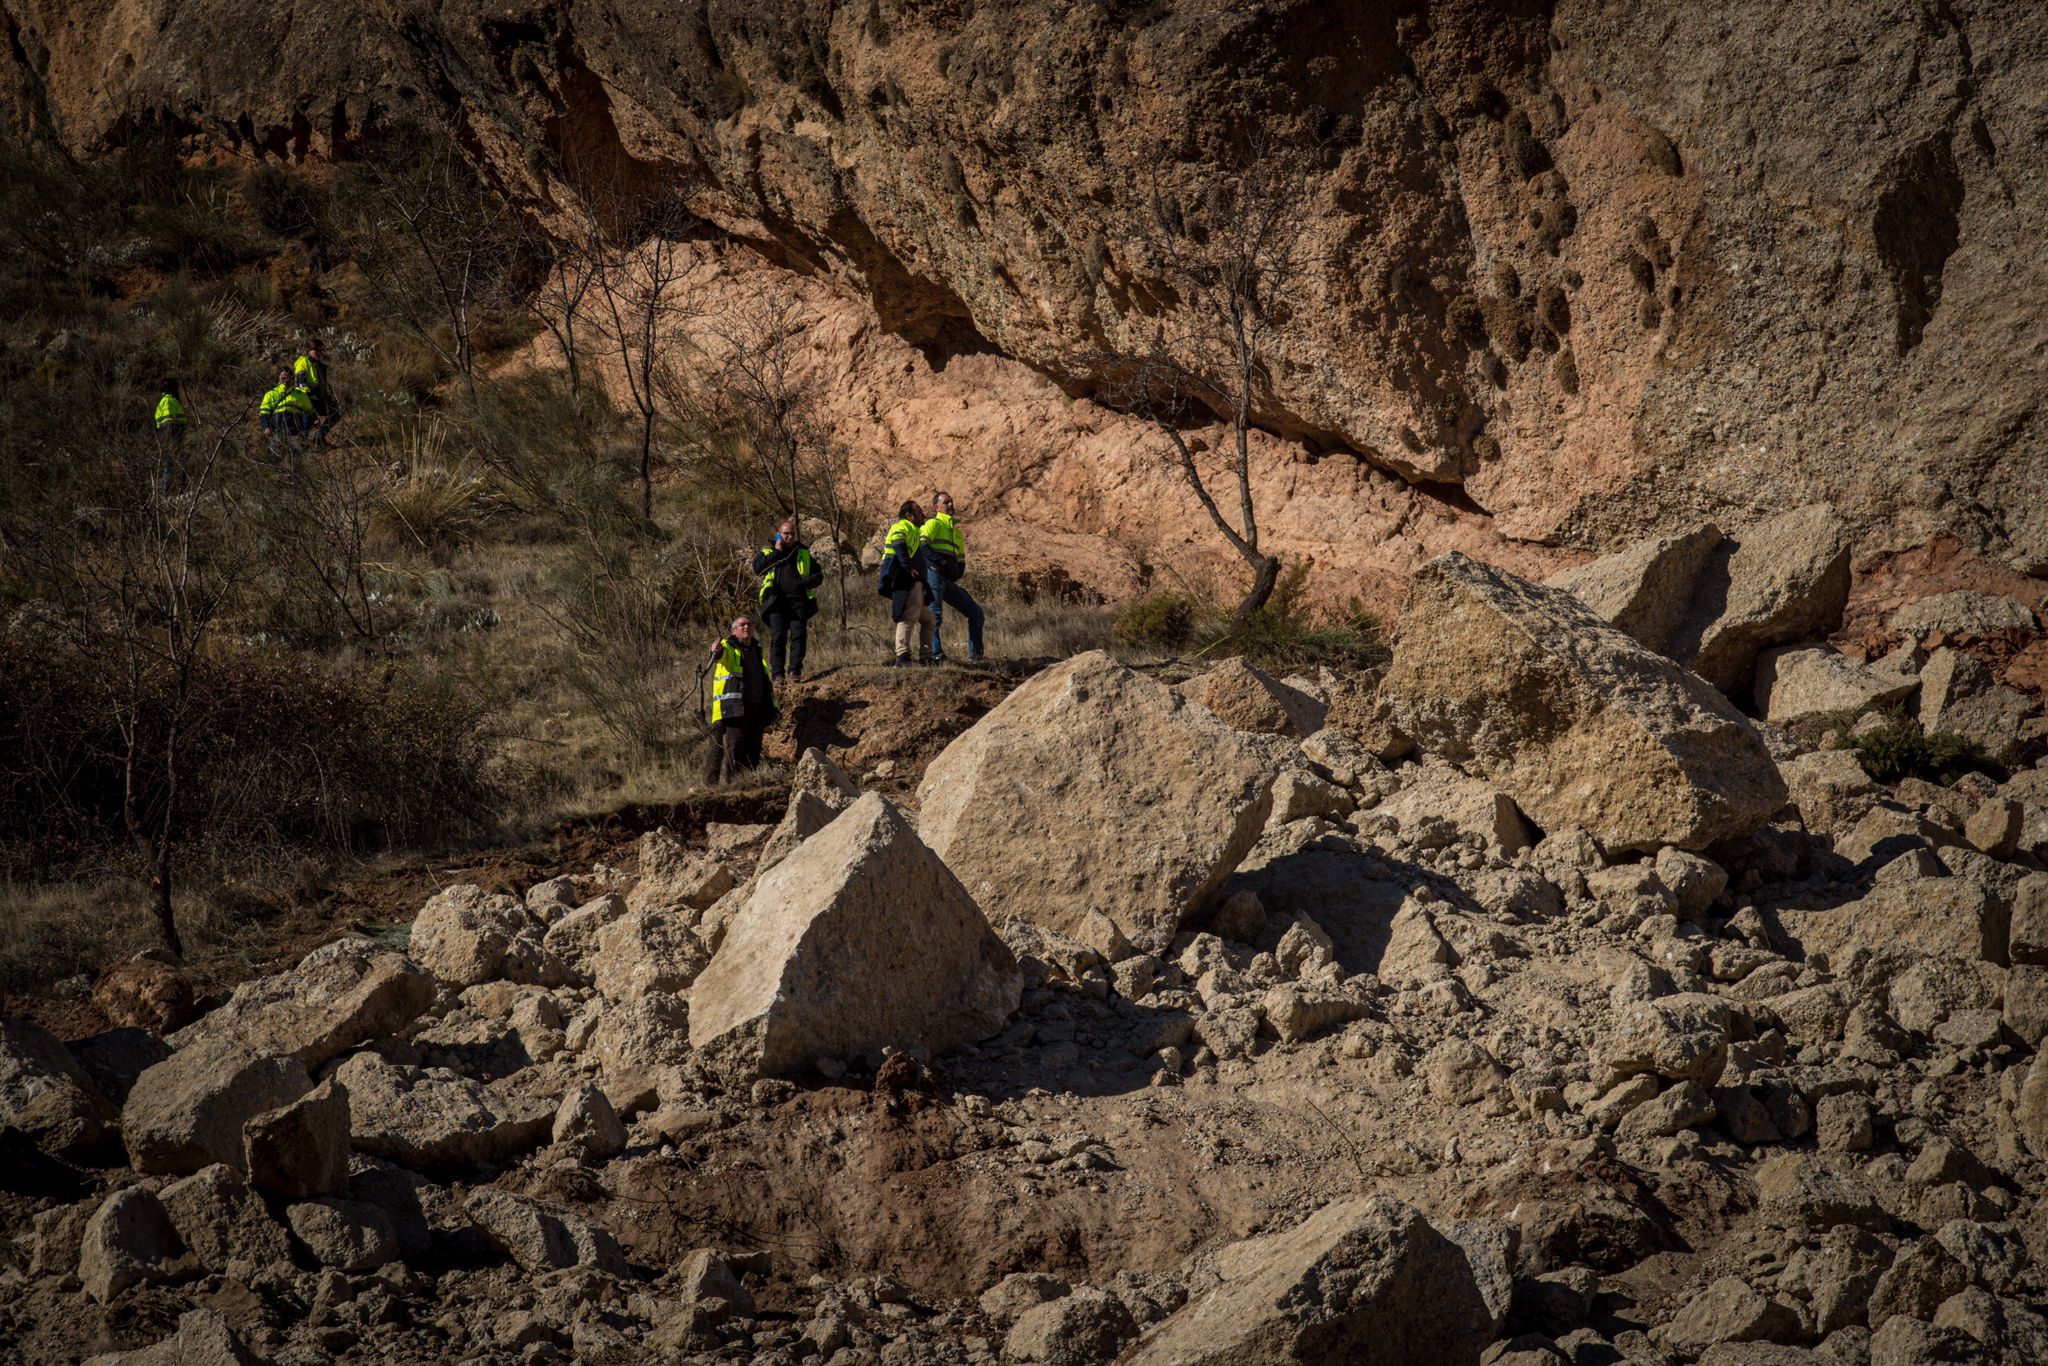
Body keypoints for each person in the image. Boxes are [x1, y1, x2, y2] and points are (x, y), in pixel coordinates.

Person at [704, 615, 776, 783]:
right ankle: (733, 784)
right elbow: (719, 655)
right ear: (734, 631)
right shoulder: (730, 648)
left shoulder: (757, 651)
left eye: (749, 625)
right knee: (736, 747)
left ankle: (750, 782)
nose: (746, 627)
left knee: (754, 748)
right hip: (735, 709)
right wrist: (716, 649)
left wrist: (772, 707)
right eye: (742, 625)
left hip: (757, 708)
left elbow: (765, 681)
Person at [752, 518, 821, 684]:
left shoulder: (803, 552)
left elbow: (818, 575)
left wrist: (804, 582)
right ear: (778, 535)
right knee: (778, 637)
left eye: (791, 533)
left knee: (799, 636)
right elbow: (757, 568)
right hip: (776, 602)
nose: (789, 536)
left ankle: (794, 672)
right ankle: (777, 675)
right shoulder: (768, 552)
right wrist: (776, 550)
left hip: (798, 602)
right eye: (785, 533)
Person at [920, 490, 986, 663]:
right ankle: (935, 655)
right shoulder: (933, 524)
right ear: (937, 507)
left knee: (976, 613)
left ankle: (977, 656)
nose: (950, 505)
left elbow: (961, 558)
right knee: (935, 615)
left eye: (951, 502)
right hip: (933, 574)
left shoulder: (956, 532)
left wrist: (958, 570)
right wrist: (940, 563)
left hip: (948, 580)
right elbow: (922, 545)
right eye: (946, 502)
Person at [878, 500, 933, 666]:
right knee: (908, 617)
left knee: (929, 620)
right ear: (909, 515)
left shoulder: (913, 530)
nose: (922, 514)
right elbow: (898, 544)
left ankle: (926, 657)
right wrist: (909, 568)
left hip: (914, 581)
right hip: (905, 579)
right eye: (919, 511)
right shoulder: (901, 526)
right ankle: (902, 657)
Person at [258, 367, 312, 455]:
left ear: (292, 378)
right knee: (277, 456)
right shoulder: (271, 394)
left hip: (295, 430)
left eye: (287, 377)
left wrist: (314, 421)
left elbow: (310, 411)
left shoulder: (300, 394)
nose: (285, 380)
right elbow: (264, 413)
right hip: (276, 429)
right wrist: (265, 427)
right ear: (279, 379)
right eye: (282, 378)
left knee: (298, 455)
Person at [294, 339, 338, 444]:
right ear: (309, 350)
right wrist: (312, 391)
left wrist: (330, 395)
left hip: (320, 397)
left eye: (321, 350)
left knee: (336, 413)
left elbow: (324, 383)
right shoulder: (303, 362)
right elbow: (300, 384)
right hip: (308, 398)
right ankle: (303, 445)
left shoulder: (318, 364)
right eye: (317, 350)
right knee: (308, 422)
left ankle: (319, 437)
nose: (320, 353)